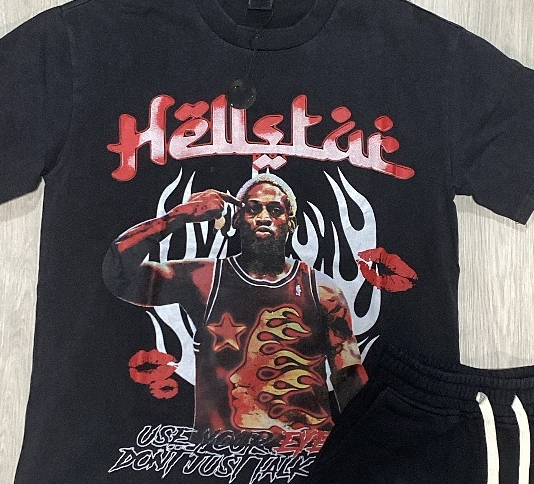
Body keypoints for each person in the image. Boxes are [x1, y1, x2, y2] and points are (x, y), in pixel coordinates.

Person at [102, 173, 367, 433]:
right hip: (223, 453)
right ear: (238, 218)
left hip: (303, 450)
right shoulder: (203, 279)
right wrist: (179, 215)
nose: (264, 217)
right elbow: (118, 276)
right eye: (253, 209)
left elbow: (349, 378)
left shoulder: (323, 291)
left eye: (275, 210)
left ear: (291, 223)